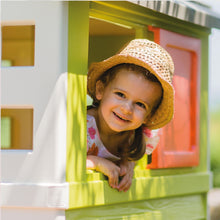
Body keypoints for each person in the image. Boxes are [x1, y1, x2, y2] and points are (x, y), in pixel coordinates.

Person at [86, 39, 174, 192]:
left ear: (148, 115)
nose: (127, 109)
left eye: (140, 104)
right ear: (100, 90)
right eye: (120, 94)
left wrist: (128, 163)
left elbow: (136, 155)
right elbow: (57, 161)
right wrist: (95, 162)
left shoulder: (138, 136)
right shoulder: (82, 126)